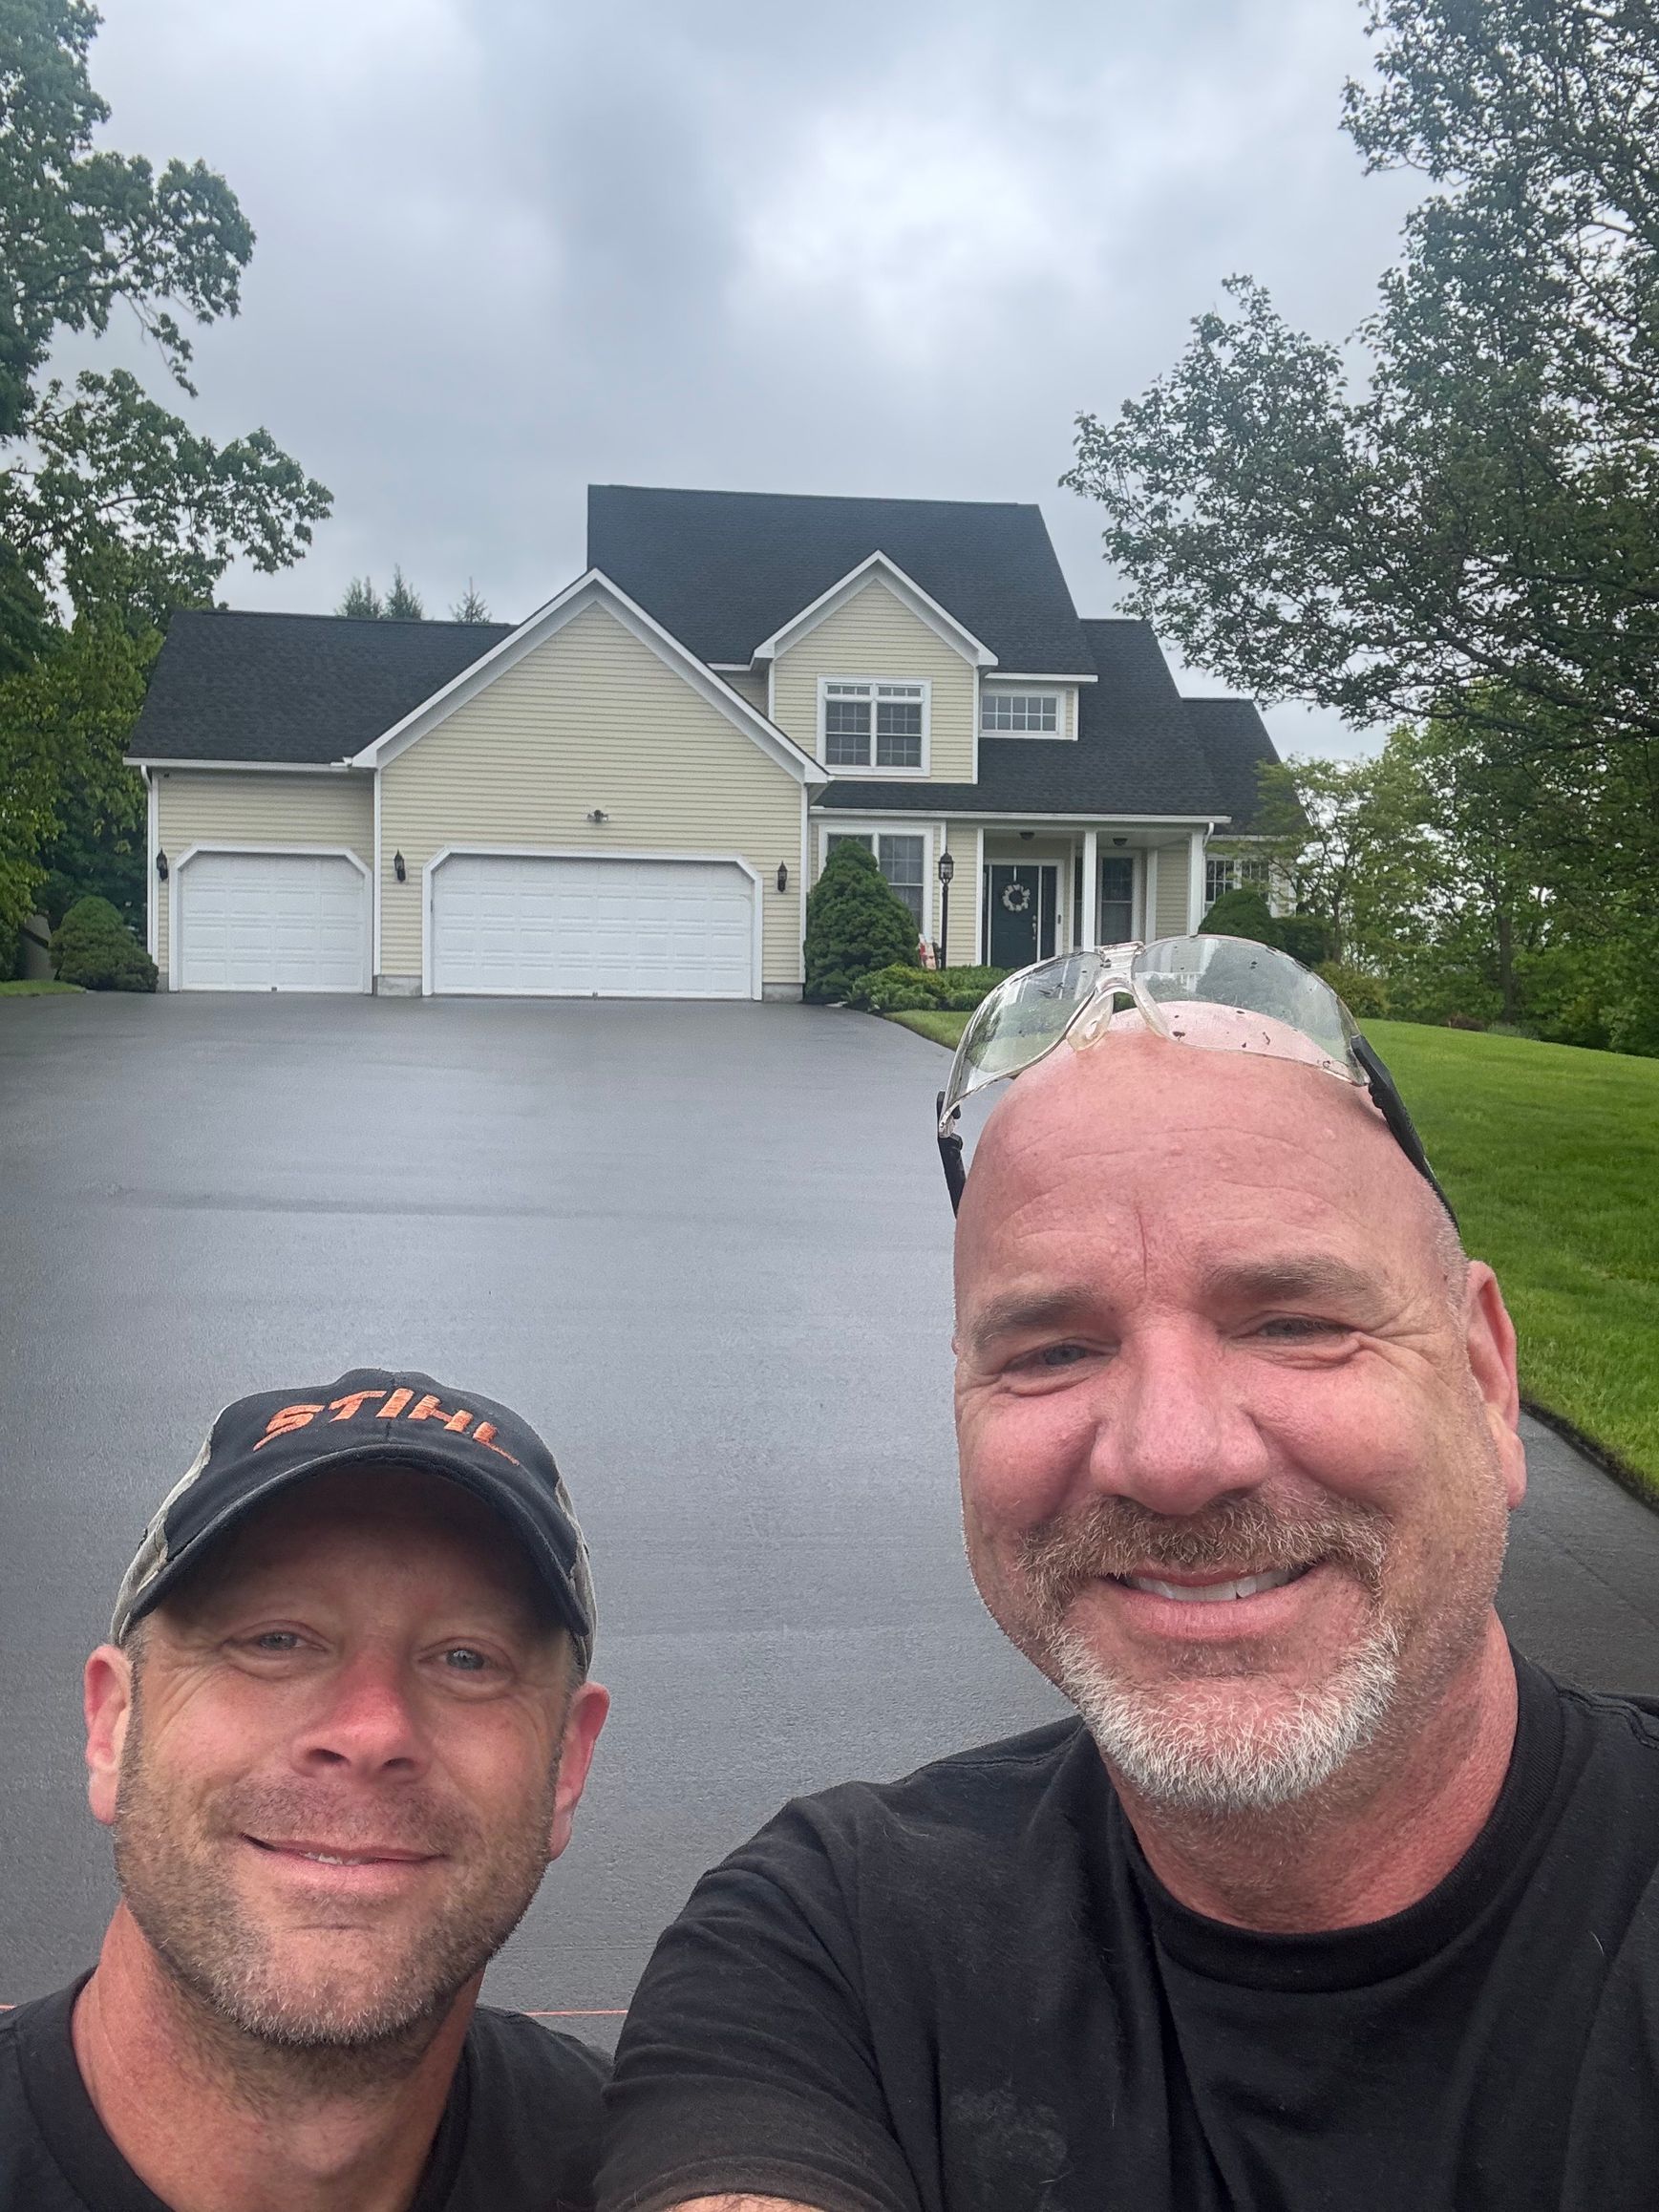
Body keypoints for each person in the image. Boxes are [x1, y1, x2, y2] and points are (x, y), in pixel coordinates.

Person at [599, 938, 1659, 2212]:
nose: (1171, 1456)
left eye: (1294, 1323)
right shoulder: (834, 1951)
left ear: (1489, 1382)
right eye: (1051, 1351)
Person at [0, 1368, 612, 2212]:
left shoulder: (640, 2174)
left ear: (567, 1765)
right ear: (112, 1727)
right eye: (276, 1640)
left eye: (467, 1659)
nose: (371, 1734)